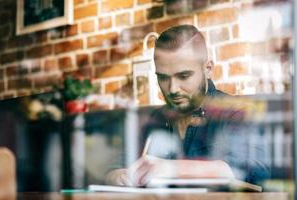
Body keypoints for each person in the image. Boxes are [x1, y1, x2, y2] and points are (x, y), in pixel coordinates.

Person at [106, 25, 270, 186]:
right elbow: (116, 166)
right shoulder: (155, 119)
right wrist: (118, 176)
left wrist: (171, 169)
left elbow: (252, 167)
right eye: (163, 78)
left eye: (183, 76)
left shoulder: (235, 111)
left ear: (207, 69)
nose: (172, 89)